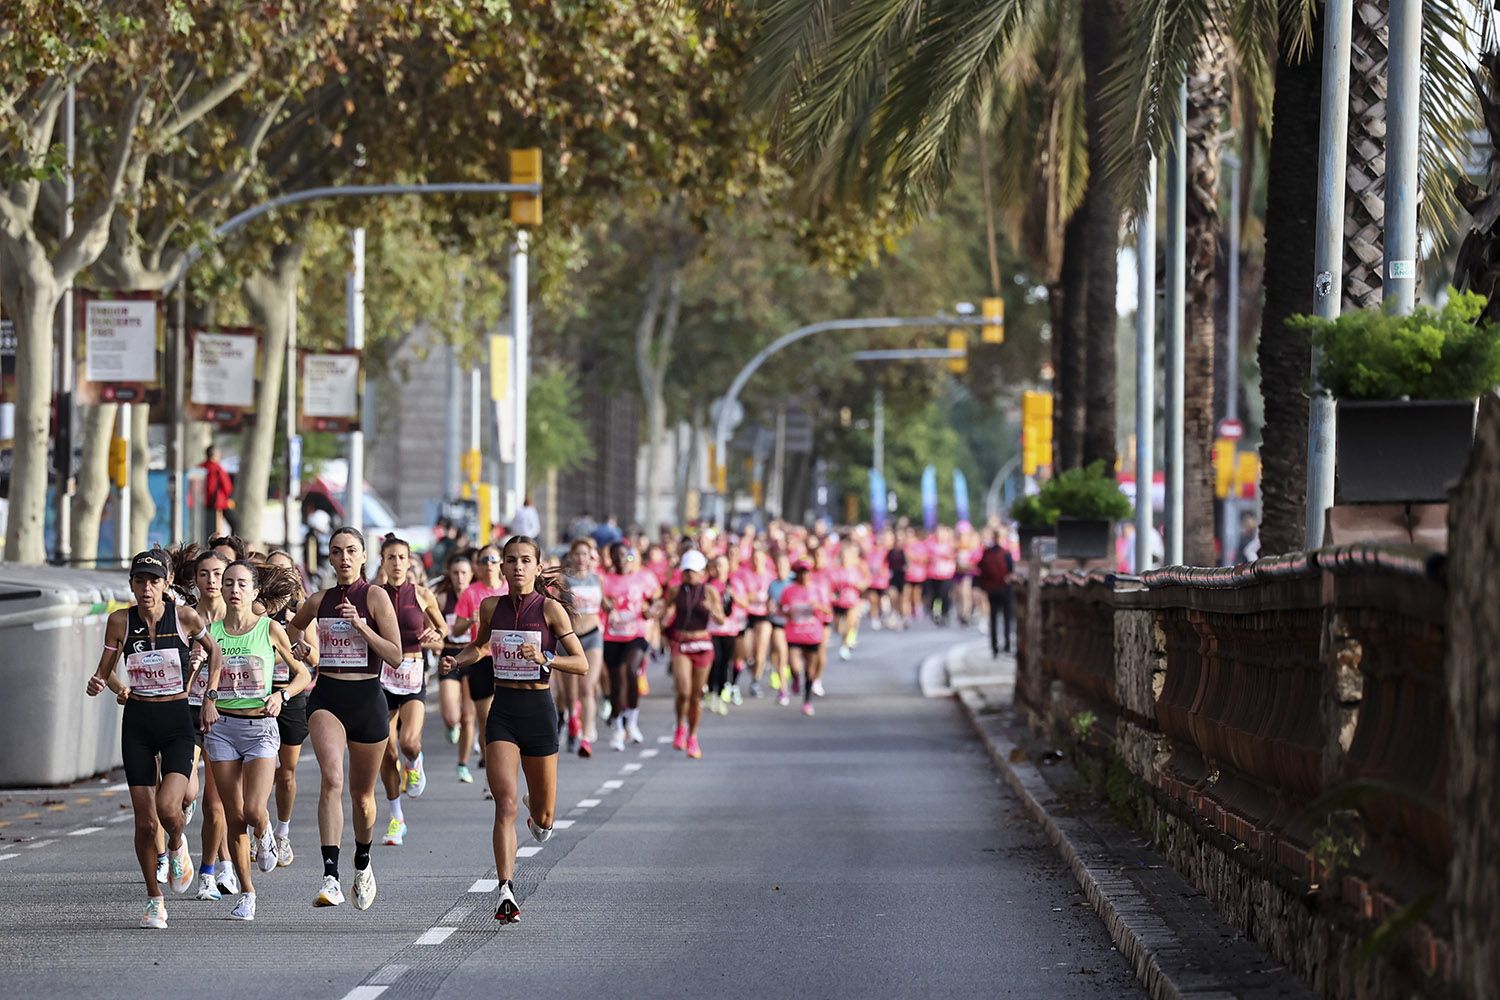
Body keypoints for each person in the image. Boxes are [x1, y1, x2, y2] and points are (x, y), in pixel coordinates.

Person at [440, 535, 589, 923]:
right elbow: (481, 647)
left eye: (526, 560)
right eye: (511, 560)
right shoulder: (491, 607)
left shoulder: (551, 610)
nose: (518, 566)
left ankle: (537, 813)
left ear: (537, 568)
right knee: (504, 803)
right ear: (502, 568)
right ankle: (506, 889)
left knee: (544, 818)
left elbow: (582, 663)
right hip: (503, 710)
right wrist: (457, 661)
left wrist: (546, 657)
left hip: (539, 711)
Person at [85, 550, 222, 929]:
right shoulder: (119, 622)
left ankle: (177, 844)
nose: (146, 588)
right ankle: (154, 899)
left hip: (178, 720)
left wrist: (209, 697)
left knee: (168, 805)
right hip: (139, 722)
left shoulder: (185, 618)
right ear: (131, 585)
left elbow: (216, 654)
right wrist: (103, 684)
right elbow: (106, 671)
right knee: (145, 824)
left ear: (165, 584)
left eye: (153, 581)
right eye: (139, 581)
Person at [285, 526, 404, 910]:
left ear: (364, 556)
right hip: (328, 698)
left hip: (368, 699)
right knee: (332, 779)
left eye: (351, 551)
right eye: (336, 552)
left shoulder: (376, 597)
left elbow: (396, 655)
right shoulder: (318, 600)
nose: (344, 558)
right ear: (330, 558)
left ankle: (363, 863)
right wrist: (299, 647)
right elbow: (289, 630)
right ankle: (330, 877)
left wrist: (361, 626)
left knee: (363, 797)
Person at [205, 559, 311, 920]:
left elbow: (303, 675)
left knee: (253, 810)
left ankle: (265, 831)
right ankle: (247, 894)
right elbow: (203, 679)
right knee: (233, 816)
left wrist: (281, 695)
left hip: (260, 729)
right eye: (228, 583)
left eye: (241, 584)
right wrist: (206, 696)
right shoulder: (212, 632)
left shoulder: (268, 629)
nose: (234, 590)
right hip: (222, 729)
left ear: (254, 592)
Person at [377, 536, 447, 846]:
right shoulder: (374, 596)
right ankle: (396, 818)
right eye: (390, 557)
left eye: (401, 557)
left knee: (408, 742)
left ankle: (415, 764)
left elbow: (442, 634)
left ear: (409, 562)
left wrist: (433, 634)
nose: (395, 562)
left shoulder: (421, 595)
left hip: (412, 677)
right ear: (382, 561)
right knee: (385, 750)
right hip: (381, 679)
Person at [264, 549, 310, 868]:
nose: (281, 577)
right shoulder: (258, 612)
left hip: (291, 694)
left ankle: (282, 832)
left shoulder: (303, 611)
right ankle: (261, 831)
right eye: (274, 571)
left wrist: (303, 648)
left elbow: (316, 658)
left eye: (286, 571)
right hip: (259, 693)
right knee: (260, 768)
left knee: (287, 771)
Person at [449, 544, 508, 785]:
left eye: (493, 559)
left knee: (505, 719)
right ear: (478, 566)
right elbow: (456, 629)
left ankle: (504, 773)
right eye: (483, 560)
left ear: (500, 564)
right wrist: (471, 620)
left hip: (508, 659)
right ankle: (490, 775)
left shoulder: (510, 590)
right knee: (485, 721)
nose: (488, 564)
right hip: (481, 659)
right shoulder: (471, 593)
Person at [658, 549, 726, 759]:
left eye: (694, 572)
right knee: (684, 691)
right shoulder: (676, 591)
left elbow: (721, 619)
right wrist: (664, 617)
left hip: (702, 643)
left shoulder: (710, 591)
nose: (689, 575)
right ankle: (680, 726)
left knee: (696, 696)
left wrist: (712, 610)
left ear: (702, 572)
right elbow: (665, 611)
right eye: (686, 571)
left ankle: (693, 736)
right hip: (681, 642)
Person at [600, 543, 656, 750]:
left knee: (632, 671)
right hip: (612, 636)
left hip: (637, 633)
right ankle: (618, 727)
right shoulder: (604, 580)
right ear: (611, 559)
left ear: (630, 557)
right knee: (617, 684)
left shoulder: (643, 578)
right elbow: (601, 603)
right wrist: (606, 606)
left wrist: (651, 610)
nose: (620, 559)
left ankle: (632, 720)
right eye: (616, 556)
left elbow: (655, 600)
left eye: (624, 555)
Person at [561, 539, 605, 757]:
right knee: (571, 694)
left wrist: (613, 607)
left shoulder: (598, 579)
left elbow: (605, 603)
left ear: (591, 557)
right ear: (571, 556)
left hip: (593, 636)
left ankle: (586, 737)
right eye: (577, 554)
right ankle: (572, 720)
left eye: (585, 554)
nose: (581, 558)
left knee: (587, 687)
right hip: (570, 638)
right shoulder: (563, 580)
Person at [434, 552, 477, 764]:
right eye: (455, 573)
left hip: (472, 655)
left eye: (464, 573)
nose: (460, 577)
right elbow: (432, 627)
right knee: (452, 716)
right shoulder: (442, 599)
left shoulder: (479, 598)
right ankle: (452, 725)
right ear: (449, 575)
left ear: (471, 574)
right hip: (449, 655)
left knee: (469, 716)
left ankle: (463, 763)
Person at [774, 560, 830, 717]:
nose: (804, 575)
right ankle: (795, 677)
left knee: (810, 670)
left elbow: (828, 611)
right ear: (796, 574)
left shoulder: (818, 590)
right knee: (794, 664)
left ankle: (807, 701)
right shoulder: (789, 591)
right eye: (801, 572)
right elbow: (780, 609)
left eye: (807, 572)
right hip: (794, 633)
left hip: (813, 634)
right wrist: (787, 612)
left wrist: (817, 607)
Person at [976, 530, 1015, 656]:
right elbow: (1011, 570)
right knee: (1006, 617)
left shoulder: (987, 552)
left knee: (993, 617)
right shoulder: (1006, 553)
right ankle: (1007, 645)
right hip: (1004, 588)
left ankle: (994, 647)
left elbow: (980, 567)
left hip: (992, 589)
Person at [201, 446, 238, 536]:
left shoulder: (200, 467)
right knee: (235, 524)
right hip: (218, 503)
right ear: (215, 455)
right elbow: (227, 486)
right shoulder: (217, 468)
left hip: (202, 504)